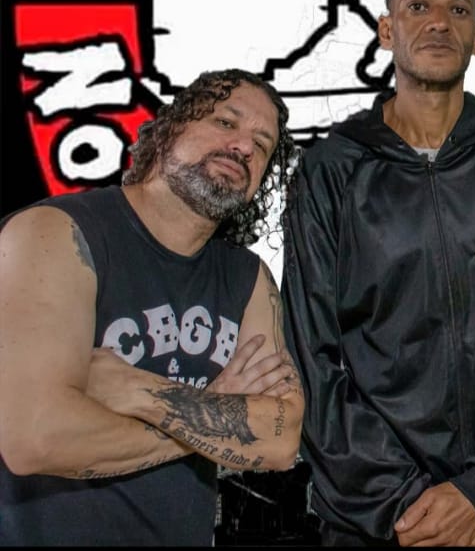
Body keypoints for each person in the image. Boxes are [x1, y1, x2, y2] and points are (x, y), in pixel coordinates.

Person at [281, 0, 475, 547]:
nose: (439, 21)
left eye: (458, 9)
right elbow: (313, 356)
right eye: (418, 6)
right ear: (387, 30)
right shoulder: (330, 169)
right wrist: (405, 504)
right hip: (375, 520)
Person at [0, 69, 306, 546]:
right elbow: (34, 439)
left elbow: (280, 440)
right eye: (226, 123)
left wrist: (137, 389)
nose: (244, 146)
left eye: (262, 145)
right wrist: (216, 410)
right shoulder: (54, 233)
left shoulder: (248, 278)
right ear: (170, 129)